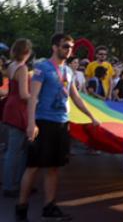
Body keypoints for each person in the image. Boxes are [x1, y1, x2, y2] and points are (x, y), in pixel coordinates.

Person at [16, 34, 101, 222]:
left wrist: (91, 116)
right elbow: (33, 97)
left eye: (71, 47)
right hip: (43, 122)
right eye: (65, 46)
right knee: (33, 167)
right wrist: (31, 123)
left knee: (54, 167)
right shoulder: (42, 68)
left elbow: (76, 98)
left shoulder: (69, 72)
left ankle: (49, 206)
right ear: (54, 47)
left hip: (62, 123)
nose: (69, 50)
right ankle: (21, 207)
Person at [2, 39, 32, 198]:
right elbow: (24, 94)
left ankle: (16, 182)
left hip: (10, 107)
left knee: (13, 149)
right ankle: (11, 185)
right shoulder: (23, 68)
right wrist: (36, 97)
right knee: (16, 150)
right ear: (27, 52)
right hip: (19, 109)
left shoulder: (11, 65)